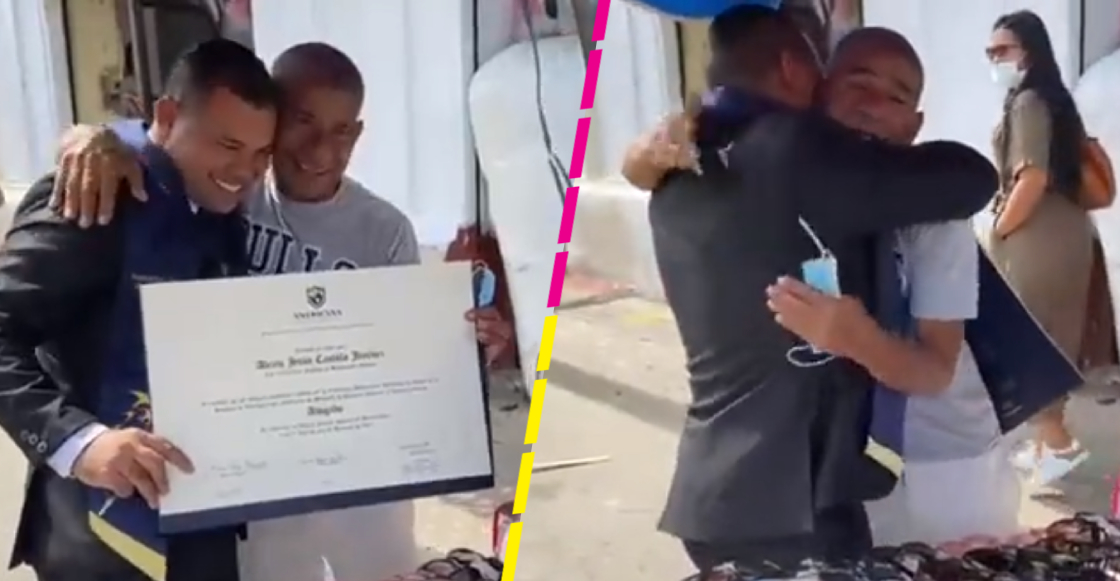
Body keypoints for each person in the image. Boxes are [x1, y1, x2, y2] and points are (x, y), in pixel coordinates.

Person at [49, 42, 513, 581]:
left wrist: (467, 350)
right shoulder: (229, 196)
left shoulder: (384, 230)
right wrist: (95, 137)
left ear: (358, 134)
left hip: (364, 479)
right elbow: (161, 146)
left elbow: (410, 360)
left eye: (341, 130)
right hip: (256, 482)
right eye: (303, 122)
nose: (321, 147)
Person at [628, 6, 998, 572]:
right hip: (792, 507)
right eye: (857, 84)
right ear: (802, 74)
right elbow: (973, 177)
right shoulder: (799, 149)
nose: (873, 105)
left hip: (721, 494)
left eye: (895, 97)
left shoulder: (673, 172)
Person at [0, 39, 280, 581]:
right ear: (169, 116)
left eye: (260, 153)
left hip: (203, 523)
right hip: (98, 534)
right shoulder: (95, 194)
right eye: (228, 144)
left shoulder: (221, 209)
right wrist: (79, 442)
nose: (245, 170)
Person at [986, 9, 1093, 487]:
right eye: (990, 53)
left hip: (1038, 234)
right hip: (1063, 231)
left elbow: (1031, 178)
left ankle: (1061, 445)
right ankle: (1047, 444)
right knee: (1051, 335)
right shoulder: (1051, 98)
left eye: (1003, 50)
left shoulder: (1029, 103)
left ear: (1029, 50)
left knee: (1029, 341)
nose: (995, 61)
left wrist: (1000, 227)